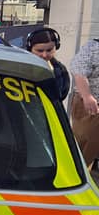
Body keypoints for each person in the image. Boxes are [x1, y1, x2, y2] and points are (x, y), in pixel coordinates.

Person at [70, 37, 99, 170]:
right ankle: (76, 175)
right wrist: (87, 96)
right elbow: (79, 72)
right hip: (91, 106)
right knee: (84, 146)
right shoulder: (93, 47)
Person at [26, 27, 70, 102]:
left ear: (56, 47)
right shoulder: (20, 68)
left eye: (49, 50)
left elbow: (62, 94)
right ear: (30, 49)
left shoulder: (61, 70)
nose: (44, 55)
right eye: (39, 51)